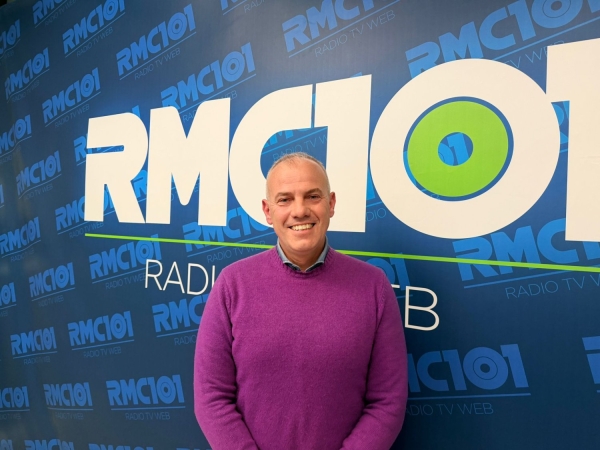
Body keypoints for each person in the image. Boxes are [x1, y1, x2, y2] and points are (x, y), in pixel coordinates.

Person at [194, 152, 408, 450]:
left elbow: (388, 402)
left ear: (331, 204)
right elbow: (211, 397)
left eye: (312, 196)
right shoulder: (232, 285)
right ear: (268, 211)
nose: (299, 210)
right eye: (285, 200)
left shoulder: (374, 287)